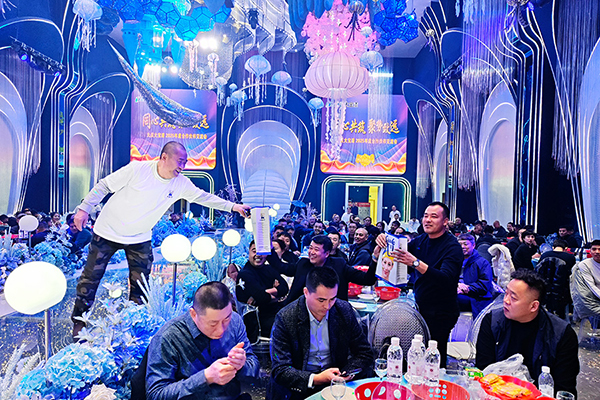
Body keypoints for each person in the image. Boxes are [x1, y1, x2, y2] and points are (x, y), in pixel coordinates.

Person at [71, 142, 250, 336]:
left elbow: (203, 197)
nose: (182, 166)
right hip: (107, 231)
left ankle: (134, 327)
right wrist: (84, 208)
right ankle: (79, 323)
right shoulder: (138, 169)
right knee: (90, 279)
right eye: (180, 161)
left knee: (141, 286)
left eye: (185, 162)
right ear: (164, 157)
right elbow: (104, 185)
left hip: (139, 238)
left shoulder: (180, 183)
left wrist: (234, 207)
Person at [378, 201, 462, 367]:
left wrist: (416, 263)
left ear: (445, 221)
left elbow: (446, 279)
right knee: (417, 354)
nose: (428, 220)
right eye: (425, 216)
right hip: (420, 306)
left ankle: (437, 380)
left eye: (434, 216)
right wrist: (383, 241)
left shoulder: (452, 247)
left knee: (434, 357)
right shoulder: (420, 240)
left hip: (442, 311)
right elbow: (400, 257)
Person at [268, 267, 373, 400]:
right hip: (298, 387)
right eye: (321, 300)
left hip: (335, 383)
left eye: (332, 299)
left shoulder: (343, 310)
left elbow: (364, 353)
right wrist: (316, 378)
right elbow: (280, 369)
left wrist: (347, 372)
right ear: (306, 292)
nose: (327, 306)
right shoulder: (286, 317)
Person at [145, 282, 260, 400]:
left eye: (226, 319)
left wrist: (241, 365)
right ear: (193, 314)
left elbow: (254, 369)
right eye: (213, 324)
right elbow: (156, 394)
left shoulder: (235, 321)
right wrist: (206, 377)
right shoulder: (168, 337)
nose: (221, 330)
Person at [475, 270, 579, 396]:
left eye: (513, 298)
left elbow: (565, 389)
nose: (506, 301)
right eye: (506, 293)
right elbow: (483, 369)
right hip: (496, 394)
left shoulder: (561, 334)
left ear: (534, 306)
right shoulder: (492, 322)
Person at [283, 235, 377, 304]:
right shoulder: (303, 264)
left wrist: (375, 259)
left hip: (333, 313)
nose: (312, 252)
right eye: (310, 248)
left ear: (327, 254)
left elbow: (367, 279)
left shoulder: (339, 265)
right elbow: (284, 268)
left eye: (316, 249)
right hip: (302, 312)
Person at [236, 242, 289, 339]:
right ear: (248, 252)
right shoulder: (245, 274)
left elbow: (285, 288)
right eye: (254, 251)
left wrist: (267, 292)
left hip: (275, 313)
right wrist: (275, 295)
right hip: (257, 322)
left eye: (261, 252)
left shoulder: (268, 269)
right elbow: (262, 297)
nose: (258, 255)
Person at [457, 234, 494, 318]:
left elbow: (484, 285)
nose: (462, 247)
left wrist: (467, 288)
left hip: (476, 297)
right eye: (460, 244)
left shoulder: (482, 263)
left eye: (465, 244)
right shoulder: (454, 260)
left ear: (473, 245)